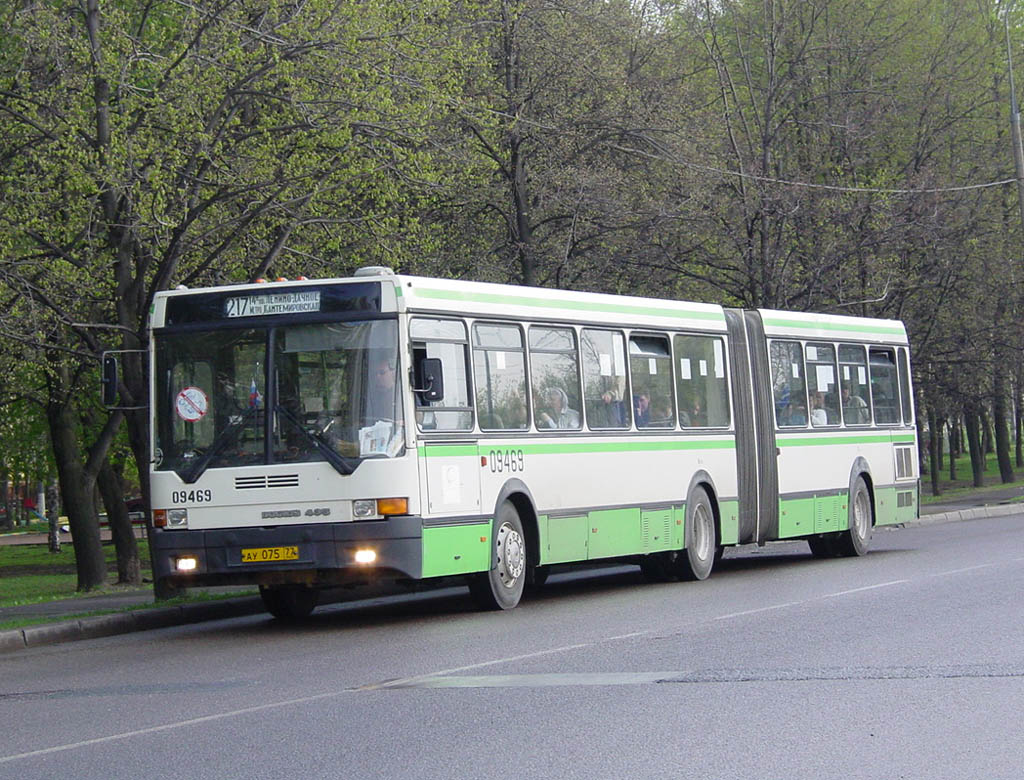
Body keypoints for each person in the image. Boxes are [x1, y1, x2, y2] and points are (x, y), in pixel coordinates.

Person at [364, 356, 398, 424]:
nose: (378, 377)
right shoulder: (371, 396)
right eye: (375, 374)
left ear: (393, 373)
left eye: (382, 373)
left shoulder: (402, 393)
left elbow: (418, 416)